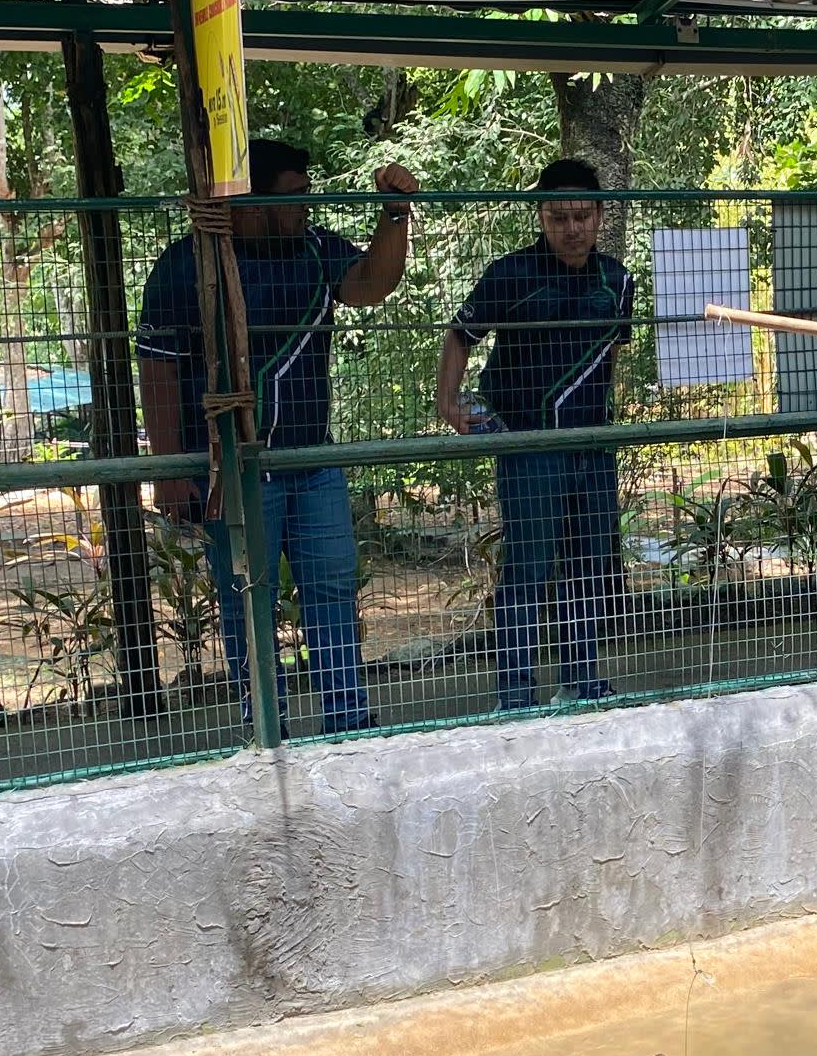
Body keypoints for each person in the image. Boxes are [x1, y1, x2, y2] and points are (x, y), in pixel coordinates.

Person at [138, 137, 419, 735]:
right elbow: (157, 372)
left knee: (332, 587)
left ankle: (348, 718)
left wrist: (394, 216)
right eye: (292, 197)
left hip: (313, 460)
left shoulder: (315, 248)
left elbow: (371, 284)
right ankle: (265, 723)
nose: (304, 207)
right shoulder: (189, 266)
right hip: (237, 469)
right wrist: (167, 471)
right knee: (248, 597)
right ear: (250, 202)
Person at [437, 159, 638, 711]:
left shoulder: (618, 281)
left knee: (589, 567)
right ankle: (515, 696)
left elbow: (610, 357)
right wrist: (448, 401)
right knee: (527, 570)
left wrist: (600, 423)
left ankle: (581, 680)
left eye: (582, 216)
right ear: (541, 217)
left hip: (592, 447)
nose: (572, 229)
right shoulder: (510, 274)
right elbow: (460, 335)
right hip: (528, 446)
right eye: (558, 218)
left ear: (599, 216)